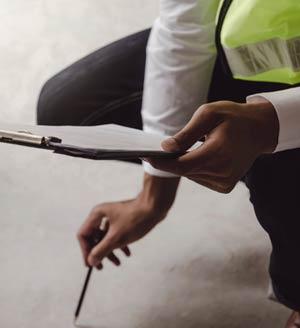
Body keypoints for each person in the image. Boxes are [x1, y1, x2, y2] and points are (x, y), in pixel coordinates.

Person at [37, 1, 300, 326]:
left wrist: (275, 123)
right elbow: (186, 22)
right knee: (69, 107)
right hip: (256, 56)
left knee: (281, 186)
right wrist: (154, 194)